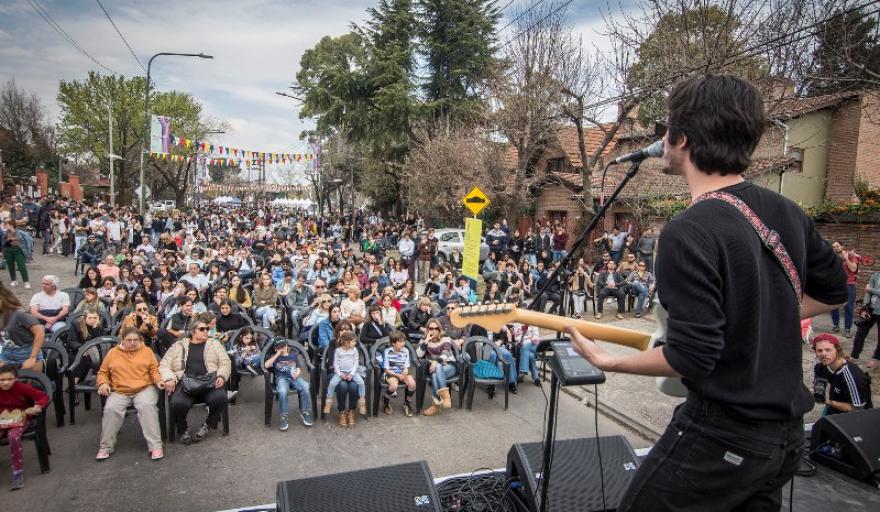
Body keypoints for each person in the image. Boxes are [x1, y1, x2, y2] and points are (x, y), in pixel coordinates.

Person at [565, 75, 847, 511]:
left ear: (680, 139)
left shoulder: (688, 231)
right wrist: (755, 317)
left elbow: (692, 357)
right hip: (787, 439)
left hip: (723, 436)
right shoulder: (787, 210)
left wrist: (608, 361)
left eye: (666, 130)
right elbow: (833, 292)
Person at [95, 328, 165, 461]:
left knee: (147, 406)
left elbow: (154, 369)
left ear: (140, 340)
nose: (132, 343)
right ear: (122, 340)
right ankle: (105, 446)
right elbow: (103, 372)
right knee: (111, 409)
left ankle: (155, 446)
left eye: (135, 340)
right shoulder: (113, 353)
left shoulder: (147, 351)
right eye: (129, 340)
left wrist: (158, 380)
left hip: (144, 387)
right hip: (120, 390)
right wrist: (103, 383)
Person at [159, 319, 231, 445]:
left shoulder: (214, 344)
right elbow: (164, 365)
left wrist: (221, 376)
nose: (206, 331)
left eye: (207, 329)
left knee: (220, 398)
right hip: (185, 381)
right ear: (193, 332)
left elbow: (225, 362)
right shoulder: (179, 345)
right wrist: (169, 378)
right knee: (177, 403)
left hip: (209, 381)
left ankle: (208, 425)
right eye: (202, 329)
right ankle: (183, 429)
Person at [0, 364, 49, 490]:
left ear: (16, 379)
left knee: (13, 437)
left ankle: (17, 471)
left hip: (21, 418)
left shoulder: (22, 388)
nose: (5, 383)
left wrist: (37, 407)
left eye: (9, 379)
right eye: (2, 380)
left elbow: (43, 396)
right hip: (2, 420)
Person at [812, 333, 870, 416]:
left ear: (837, 350)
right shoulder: (819, 364)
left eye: (828, 350)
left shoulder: (853, 377)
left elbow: (857, 409)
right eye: (819, 350)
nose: (823, 354)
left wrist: (828, 401)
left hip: (851, 417)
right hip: (832, 407)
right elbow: (816, 380)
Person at [263, 338, 312, 431]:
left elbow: (298, 368)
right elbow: (266, 365)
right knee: (282, 391)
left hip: (294, 377)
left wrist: (297, 373)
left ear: (287, 346)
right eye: (279, 347)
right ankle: (283, 416)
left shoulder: (293, 355)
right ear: (275, 349)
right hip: (281, 378)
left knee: (305, 386)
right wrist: (277, 354)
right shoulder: (275, 356)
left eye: (283, 346)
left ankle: (305, 411)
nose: (282, 348)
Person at [323, 331, 366, 426]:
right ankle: (328, 401)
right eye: (353, 341)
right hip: (340, 372)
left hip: (352, 372)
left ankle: (362, 401)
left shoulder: (354, 350)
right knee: (332, 384)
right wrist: (340, 374)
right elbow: (336, 364)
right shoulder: (338, 351)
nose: (355, 343)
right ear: (346, 342)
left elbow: (356, 363)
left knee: (361, 383)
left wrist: (352, 373)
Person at [0, 282, 45, 372]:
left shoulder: (19, 313)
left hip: (26, 353)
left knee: (30, 384)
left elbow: (39, 333)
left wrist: (32, 358)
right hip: (6, 354)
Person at [417, 318, 457, 416]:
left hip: (449, 366)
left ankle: (437, 404)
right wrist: (426, 341)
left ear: (439, 329)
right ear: (428, 329)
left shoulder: (445, 338)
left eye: (436, 328)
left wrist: (436, 362)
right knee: (435, 372)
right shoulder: (424, 340)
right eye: (431, 328)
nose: (433, 330)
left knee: (437, 368)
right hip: (434, 369)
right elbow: (418, 355)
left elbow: (446, 353)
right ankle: (444, 398)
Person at [380, 330, 416, 416]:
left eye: (403, 341)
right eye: (400, 342)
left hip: (402, 373)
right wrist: (397, 375)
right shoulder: (387, 352)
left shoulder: (406, 351)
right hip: (391, 373)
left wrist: (406, 370)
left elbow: (406, 365)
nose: (403, 343)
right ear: (393, 343)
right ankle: (386, 401)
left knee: (412, 384)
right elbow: (386, 369)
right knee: (393, 386)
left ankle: (407, 403)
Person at [851, 269, 880, 368]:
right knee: (860, 332)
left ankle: (876, 359)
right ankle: (854, 356)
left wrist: (870, 290)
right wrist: (865, 306)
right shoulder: (876, 275)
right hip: (871, 309)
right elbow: (867, 292)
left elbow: (869, 289)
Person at [830, 241, 859, 337]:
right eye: (834, 247)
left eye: (837, 246)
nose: (836, 248)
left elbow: (853, 269)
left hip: (849, 285)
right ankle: (836, 326)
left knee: (848, 307)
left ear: (842, 246)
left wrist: (846, 259)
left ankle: (847, 329)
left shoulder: (850, 255)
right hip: (836, 284)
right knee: (833, 306)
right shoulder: (833, 257)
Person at [2, 219, 30, 289]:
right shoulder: (6, 232)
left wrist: (29, 251)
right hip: (9, 250)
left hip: (18, 250)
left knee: (21, 266)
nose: (5, 226)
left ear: (11, 225)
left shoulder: (20, 232)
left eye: (7, 225)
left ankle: (26, 282)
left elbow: (28, 240)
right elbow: (3, 241)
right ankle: (14, 280)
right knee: (10, 266)